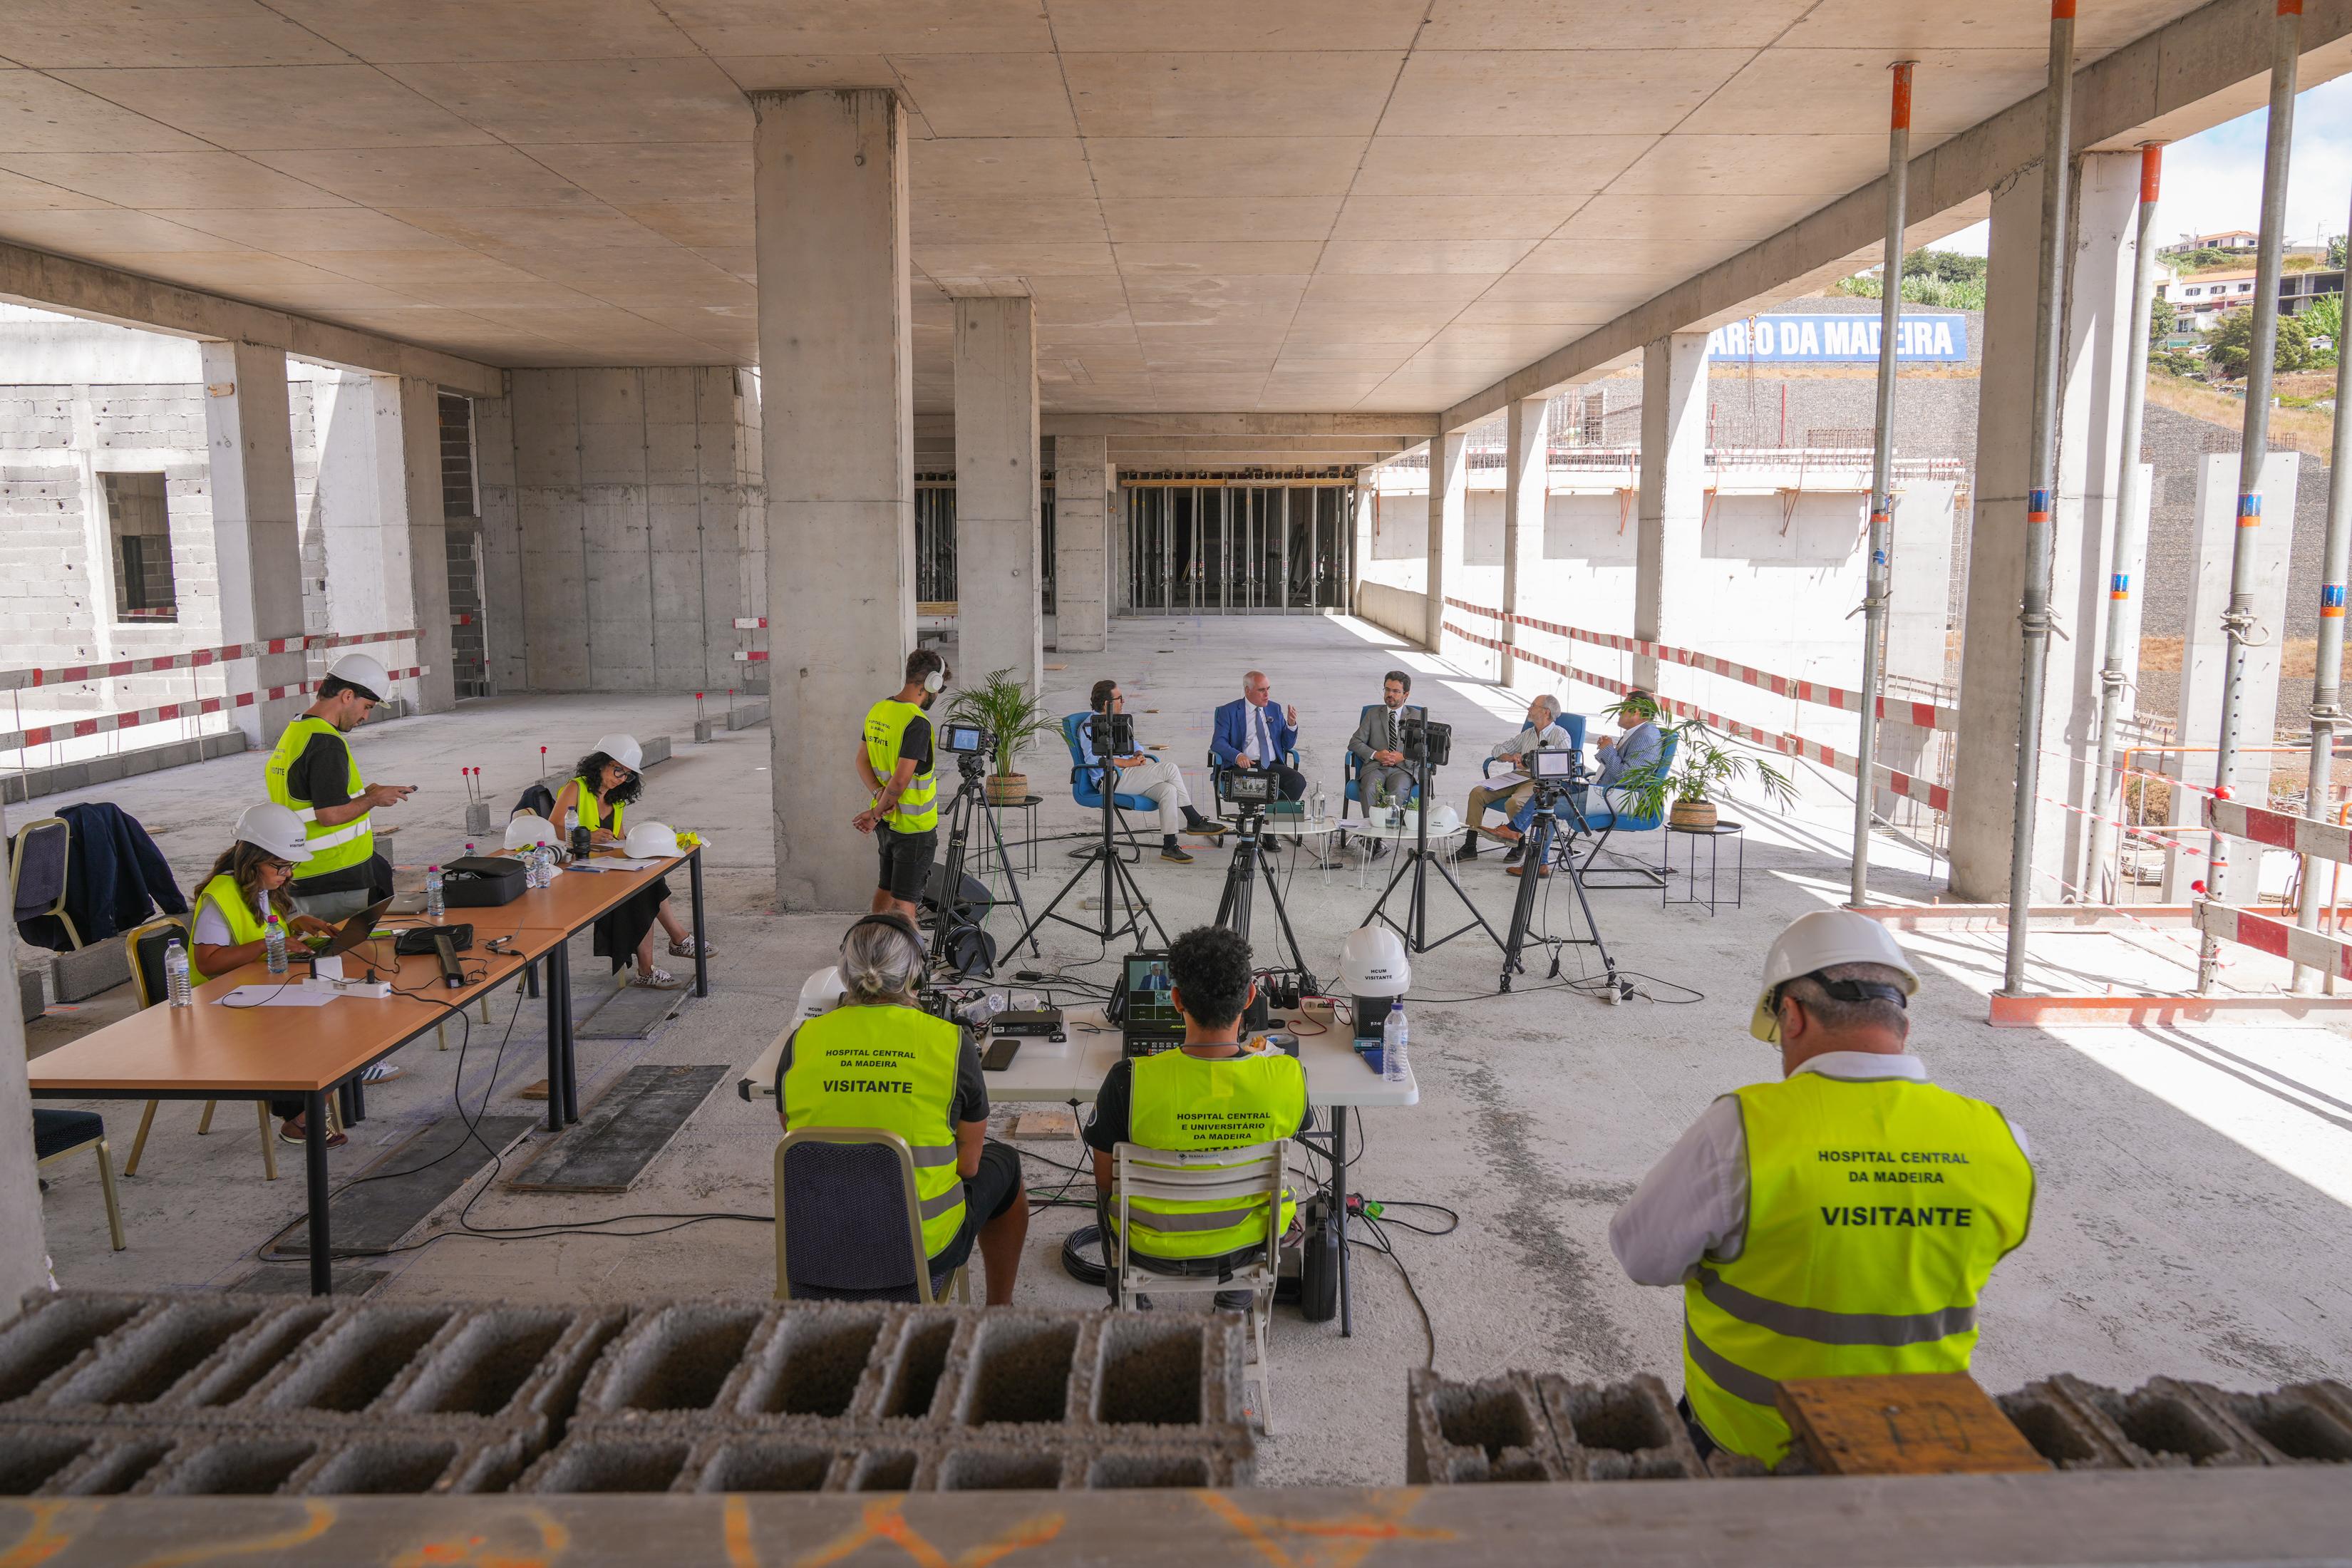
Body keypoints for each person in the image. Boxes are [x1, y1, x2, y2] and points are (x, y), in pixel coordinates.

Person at [1608, 910, 2033, 1469]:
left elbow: (1642, 1256)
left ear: (1792, 1015)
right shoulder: (2002, 1140)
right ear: (1902, 1025)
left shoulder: (1743, 1131)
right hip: (1917, 1448)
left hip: (1753, 1450)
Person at [775, 914, 1028, 1304]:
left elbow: (796, 1139)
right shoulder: (951, 1043)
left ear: (844, 973)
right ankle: (999, 1308)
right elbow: (968, 1166)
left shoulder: (801, 1041)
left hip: (818, 1247)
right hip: (918, 1253)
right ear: (917, 974)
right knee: (1004, 1163)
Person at [1083, 924, 1308, 1311]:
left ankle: (1128, 1304)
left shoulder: (1128, 1080)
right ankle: (1233, 1304)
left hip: (1148, 1249)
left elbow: (1106, 1180)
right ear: (1249, 997)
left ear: (1176, 1000)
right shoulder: (1289, 1077)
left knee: (1104, 1198)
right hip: (1245, 1248)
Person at [189, 803, 387, 1147]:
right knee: (316, 1033)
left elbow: (263, 928)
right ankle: (299, 1119)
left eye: (290, 866)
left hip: (260, 990)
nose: (287, 874)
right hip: (221, 1006)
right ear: (251, 859)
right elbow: (208, 963)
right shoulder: (219, 897)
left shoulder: (260, 888)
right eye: (279, 866)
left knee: (343, 1018)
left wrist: (294, 923)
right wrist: (271, 944)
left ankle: (307, 1109)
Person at [555, 734, 711, 989]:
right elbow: (552, 827)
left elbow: (620, 839)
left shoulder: (616, 798)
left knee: (648, 880)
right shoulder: (577, 788)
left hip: (605, 866)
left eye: (627, 775)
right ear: (601, 763)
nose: (621, 779)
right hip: (577, 869)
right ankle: (675, 943)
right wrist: (588, 836)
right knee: (641, 890)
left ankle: (657, 961)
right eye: (618, 771)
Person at [264, 652, 411, 920]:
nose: (365, 716)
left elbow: (305, 798)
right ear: (347, 696)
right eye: (367, 706)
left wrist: (365, 794)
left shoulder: (297, 731)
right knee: (347, 945)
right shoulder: (326, 743)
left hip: (309, 872)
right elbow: (329, 815)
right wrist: (372, 800)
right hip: (335, 877)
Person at [1494, 689, 1666, 878]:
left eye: (1623, 707)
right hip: (1603, 790)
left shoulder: (1645, 736)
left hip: (1618, 797)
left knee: (1546, 805)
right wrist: (1608, 750)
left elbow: (1627, 777)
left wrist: (1608, 750)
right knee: (1547, 790)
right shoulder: (1637, 733)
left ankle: (1525, 846)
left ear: (1637, 712)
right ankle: (1527, 846)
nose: (1619, 711)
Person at [1078, 679, 1227, 864]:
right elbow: (1094, 760)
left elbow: (1134, 743)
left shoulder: (1118, 720)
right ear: (1107, 703)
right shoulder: (1089, 726)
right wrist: (1129, 763)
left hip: (1128, 777)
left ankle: (1170, 846)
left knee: (1168, 790)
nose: (1124, 701)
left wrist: (1138, 753)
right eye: (1120, 698)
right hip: (1109, 780)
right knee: (1169, 768)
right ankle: (1194, 820)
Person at [855, 650, 947, 921]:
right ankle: (907, 949)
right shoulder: (917, 723)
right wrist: (875, 814)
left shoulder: (879, 710)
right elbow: (900, 782)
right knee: (906, 900)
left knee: (886, 886)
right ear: (932, 684)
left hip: (887, 823)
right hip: (913, 828)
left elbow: (861, 761)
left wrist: (877, 800)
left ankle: (876, 939)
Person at [1457, 693, 1571, 864]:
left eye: (1533, 705)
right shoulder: (1528, 734)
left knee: (1514, 802)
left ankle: (1518, 843)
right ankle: (1470, 845)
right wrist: (1510, 757)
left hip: (1539, 781)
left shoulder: (1560, 735)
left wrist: (1532, 764)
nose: (1529, 708)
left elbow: (1563, 768)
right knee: (1477, 793)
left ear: (1546, 712)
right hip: (1517, 777)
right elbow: (1498, 749)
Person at [1209, 673, 1305, 850]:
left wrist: (1291, 725)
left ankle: (1270, 828)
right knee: (1257, 785)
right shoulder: (1228, 711)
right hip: (1244, 766)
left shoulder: (1274, 708)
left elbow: (1286, 744)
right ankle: (1259, 830)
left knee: (1298, 781)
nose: (1267, 694)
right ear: (1248, 691)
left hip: (1271, 764)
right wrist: (1237, 755)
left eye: (1268, 689)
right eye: (1262, 690)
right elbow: (1218, 743)